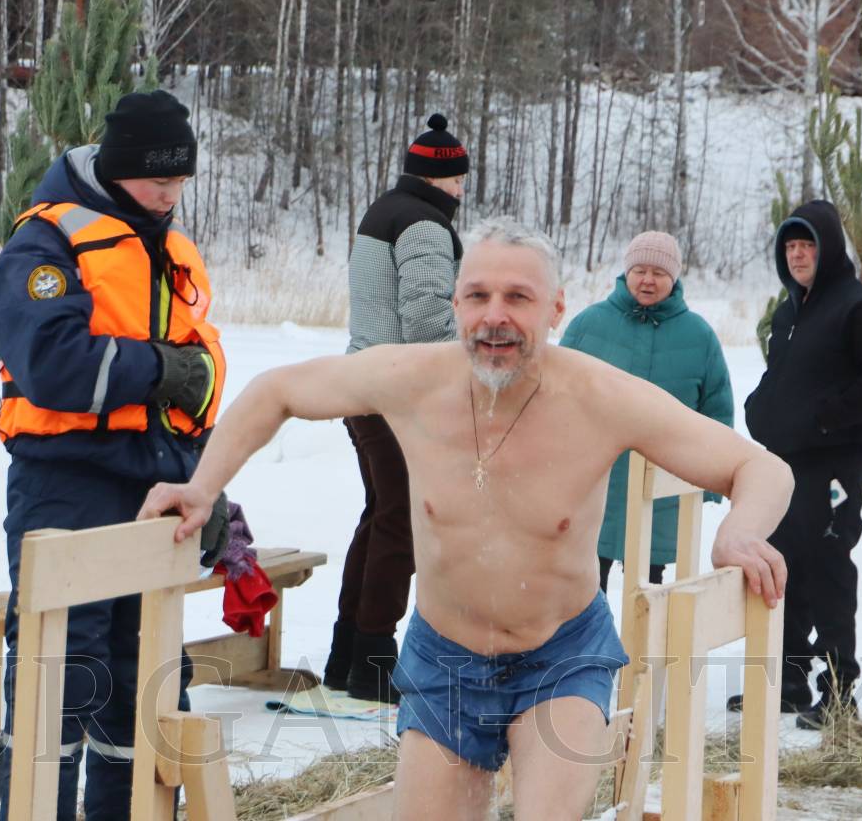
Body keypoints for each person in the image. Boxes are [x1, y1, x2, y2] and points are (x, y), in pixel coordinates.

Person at [139, 218, 793, 821]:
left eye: (518, 298)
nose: (494, 316)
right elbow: (276, 392)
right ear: (454, 306)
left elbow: (760, 468)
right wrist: (203, 487)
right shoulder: (411, 379)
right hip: (444, 660)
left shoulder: (601, 398)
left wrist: (740, 532)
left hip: (560, 655)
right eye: (477, 296)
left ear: (556, 308)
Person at [0, 89, 228, 821]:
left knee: (146, 680)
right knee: (59, 677)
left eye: (180, 180)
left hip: (158, 486)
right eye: (158, 180)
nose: (170, 195)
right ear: (119, 169)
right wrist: (157, 370)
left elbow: (195, 382)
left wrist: (206, 483)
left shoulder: (167, 248)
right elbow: (51, 363)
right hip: (67, 483)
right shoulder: (45, 244)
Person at [741, 199, 862, 729]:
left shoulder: (861, 308)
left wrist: (825, 418)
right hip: (785, 464)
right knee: (781, 565)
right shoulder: (789, 311)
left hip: (835, 463)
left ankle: (837, 694)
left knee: (828, 567)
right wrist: (760, 408)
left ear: (828, 249)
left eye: (806, 245)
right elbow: (782, 376)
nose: (797, 255)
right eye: (789, 246)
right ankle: (788, 684)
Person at [326, 113, 468, 703]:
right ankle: (374, 663)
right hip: (398, 393)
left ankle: (347, 655)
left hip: (361, 383)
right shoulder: (425, 224)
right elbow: (428, 317)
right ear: (442, 178)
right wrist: (459, 378)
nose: (461, 190)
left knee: (380, 516)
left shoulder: (382, 210)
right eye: (458, 179)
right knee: (403, 523)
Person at [559, 231, 734, 591]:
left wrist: (713, 478)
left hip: (664, 482)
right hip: (596, 480)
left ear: (674, 278)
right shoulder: (589, 324)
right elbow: (557, 396)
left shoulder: (699, 336)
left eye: (659, 273)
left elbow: (717, 410)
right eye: (640, 271)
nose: (648, 280)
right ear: (627, 273)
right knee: (586, 581)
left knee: (651, 589)